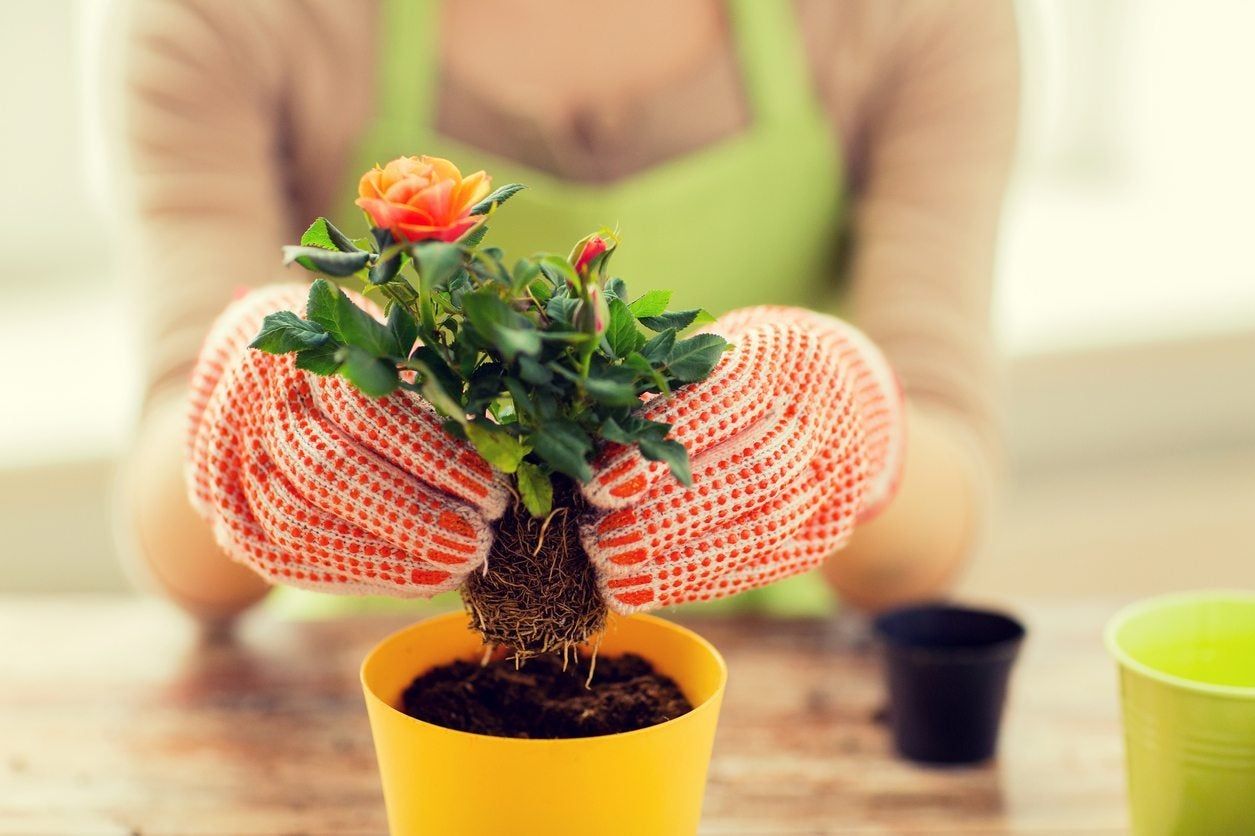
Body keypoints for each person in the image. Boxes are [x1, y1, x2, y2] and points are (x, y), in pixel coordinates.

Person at [116, 0, 1019, 624]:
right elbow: (180, 562)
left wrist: (852, 429)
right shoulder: (225, 17)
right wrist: (237, 417)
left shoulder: (913, 16)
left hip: (766, 695)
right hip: (369, 689)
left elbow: (930, 544)